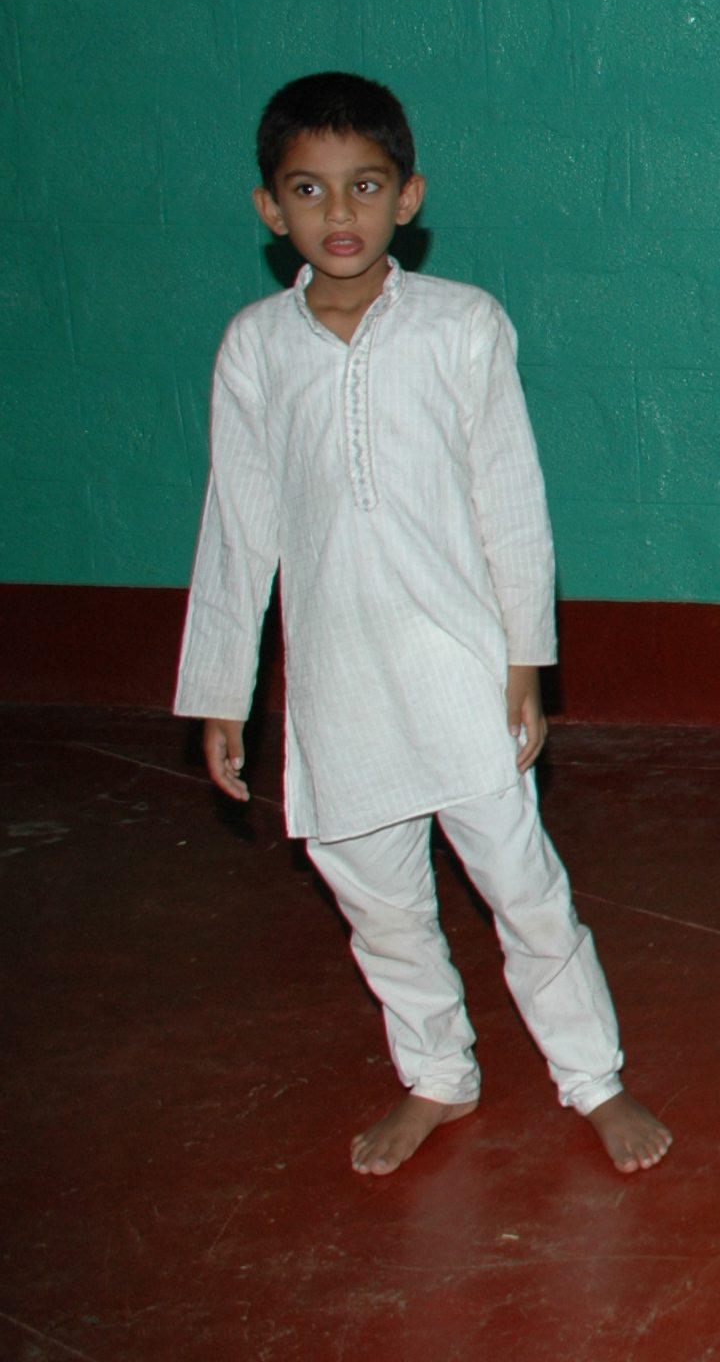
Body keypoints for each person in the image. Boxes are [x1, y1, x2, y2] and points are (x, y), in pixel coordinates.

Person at [175, 72, 671, 1177]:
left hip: (458, 669)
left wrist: (525, 660)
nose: (338, 212)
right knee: (383, 908)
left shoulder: (461, 324)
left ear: (408, 196)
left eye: (365, 185)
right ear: (270, 208)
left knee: (524, 891)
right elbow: (237, 528)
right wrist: (221, 690)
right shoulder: (255, 347)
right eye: (309, 189)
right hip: (338, 689)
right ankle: (438, 1073)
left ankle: (593, 1076)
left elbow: (511, 499)